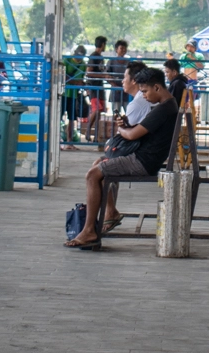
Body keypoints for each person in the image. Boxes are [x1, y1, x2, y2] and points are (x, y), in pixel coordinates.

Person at [66, 67, 179, 249]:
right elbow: (139, 130)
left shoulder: (163, 110)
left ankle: (89, 231)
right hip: (144, 157)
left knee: (92, 175)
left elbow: (133, 135)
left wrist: (121, 129)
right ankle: (109, 213)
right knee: (99, 164)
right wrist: (127, 126)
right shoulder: (167, 105)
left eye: (145, 91)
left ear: (157, 88)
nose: (144, 96)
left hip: (142, 162)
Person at [62, 45, 87, 148]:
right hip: (63, 93)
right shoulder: (66, 60)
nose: (78, 58)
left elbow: (81, 80)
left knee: (72, 119)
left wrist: (78, 83)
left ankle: (69, 142)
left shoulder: (83, 65)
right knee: (59, 118)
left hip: (73, 95)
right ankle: (58, 140)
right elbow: (62, 75)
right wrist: (75, 82)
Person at [120, 60, 150, 125]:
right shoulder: (150, 97)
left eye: (125, 77)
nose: (122, 81)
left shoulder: (136, 104)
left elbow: (127, 133)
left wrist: (121, 127)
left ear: (134, 80)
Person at [108, 39, 130, 111]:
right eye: (121, 48)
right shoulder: (111, 61)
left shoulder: (129, 62)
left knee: (129, 114)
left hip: (127, 93)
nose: (123, 50)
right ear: (116, 49)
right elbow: (106, 75)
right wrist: (114, 85)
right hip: (115, 93)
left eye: (125, 48)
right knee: (116, 115)